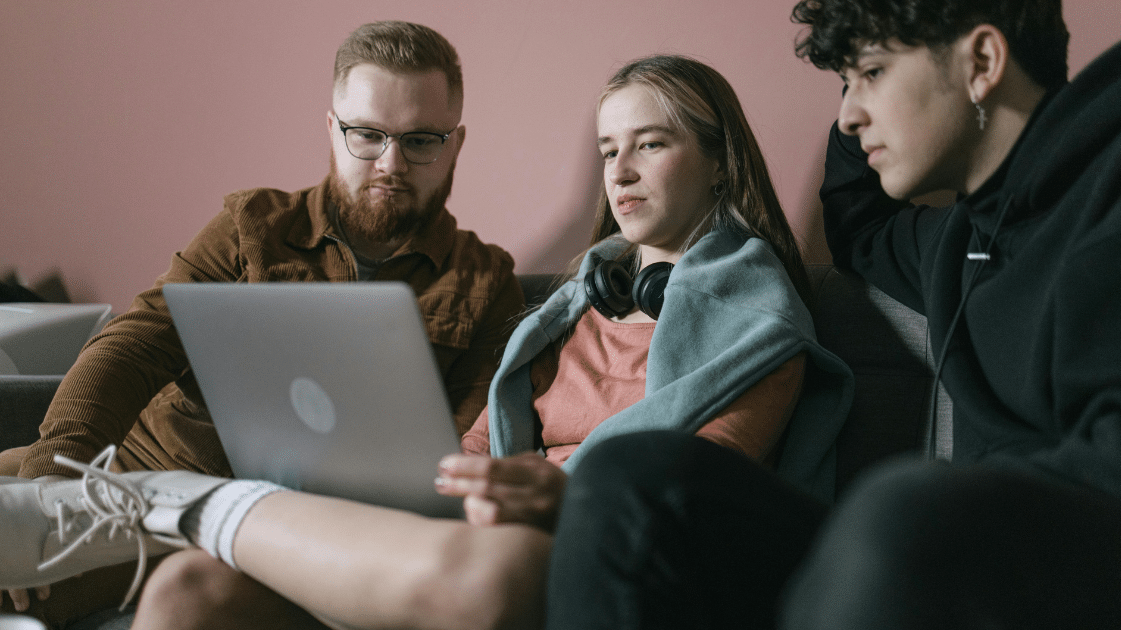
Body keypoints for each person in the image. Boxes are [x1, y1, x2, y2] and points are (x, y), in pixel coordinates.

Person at [0, 55, 853, 630]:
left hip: (568, 540)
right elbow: (473, 440)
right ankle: (163, 504)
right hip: (463, 518)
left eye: (651, 144)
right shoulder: (564, 308)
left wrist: (532, 487)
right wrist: (452, 476)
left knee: (483, 578)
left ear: (717, 158)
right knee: (190, 591)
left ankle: (173, 502)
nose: (620, 171)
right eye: (607, 150)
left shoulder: (756, 324)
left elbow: (692, 490)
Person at [541, 1, 1121, 629]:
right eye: (846, 81)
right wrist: (860, 53)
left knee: (901, 507)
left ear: (982, 62)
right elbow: (856, 214)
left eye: (874, 74)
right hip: (940, 559)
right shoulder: (953, 242)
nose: (852, 115)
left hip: (1110, 565)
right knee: (634, 479)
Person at [0, 21, 525, 627]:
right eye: (367, 135)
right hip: (121, 469)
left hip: (246, 533)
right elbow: (131, 348)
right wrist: (46, 496)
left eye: (421, 141)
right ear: (332, 130)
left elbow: (461, 454)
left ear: (455, 144)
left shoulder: (486, 284)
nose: (391, 163)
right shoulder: (253, 224)